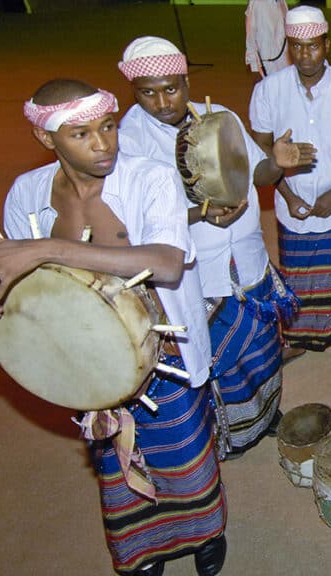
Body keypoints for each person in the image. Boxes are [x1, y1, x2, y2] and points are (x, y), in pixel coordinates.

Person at [0, 79, 228, 576]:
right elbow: (26, 288)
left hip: (165, 351)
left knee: (185, 456)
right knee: (116, 462)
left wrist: (46, 248)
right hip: (86, 358)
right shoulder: (27, 193)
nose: (103, 144)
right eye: (81, 134)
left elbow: (165, 264)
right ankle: (145, 549)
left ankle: (205, 534)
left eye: (109, 126)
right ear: (45, 138)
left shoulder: (150, 178)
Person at [116, 36, 313, 460]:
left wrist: (277, 162)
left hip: (246, 254)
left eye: (171, 88)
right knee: (218, 361)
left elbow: (256, 173)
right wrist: (198, 215)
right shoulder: (128, 142)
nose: (162, 101)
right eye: (147, 92)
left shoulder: (218, 115)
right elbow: (130, 225)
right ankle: (232, 434)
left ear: (186, 81)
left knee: (260, 346)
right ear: (133, 91)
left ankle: (263, 415)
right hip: (195, 270)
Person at [249, 6, 331, 360]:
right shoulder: (268, 90)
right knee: (297, 273)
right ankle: (297, 335)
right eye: (297, 46)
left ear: (328, 44)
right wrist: (288, 195)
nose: (305, 55)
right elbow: (260, 148)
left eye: (314, 46)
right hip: (292, 206)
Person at [245, 0, 291, 77]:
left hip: (284, 60)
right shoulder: (257, 3)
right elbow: (250, 37)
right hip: (267, 62)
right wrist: (254, 67)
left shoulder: (281, 2)